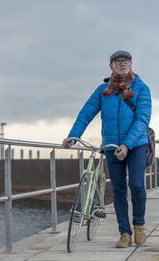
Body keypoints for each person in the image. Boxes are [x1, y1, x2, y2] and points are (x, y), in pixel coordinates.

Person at [62, 50, 151, 248]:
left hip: (135, 145)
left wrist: (127, 144)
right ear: (111, 66)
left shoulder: (141, 88)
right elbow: (86, 113)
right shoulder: (104, 90)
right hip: (111, 146)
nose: (122, 64)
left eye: (125, 61)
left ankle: (139, 225)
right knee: (118, 190)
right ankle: (124, 233)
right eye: (117, 61)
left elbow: (143, 119)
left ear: (131, 63)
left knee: (136, 185)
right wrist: (74, 136)